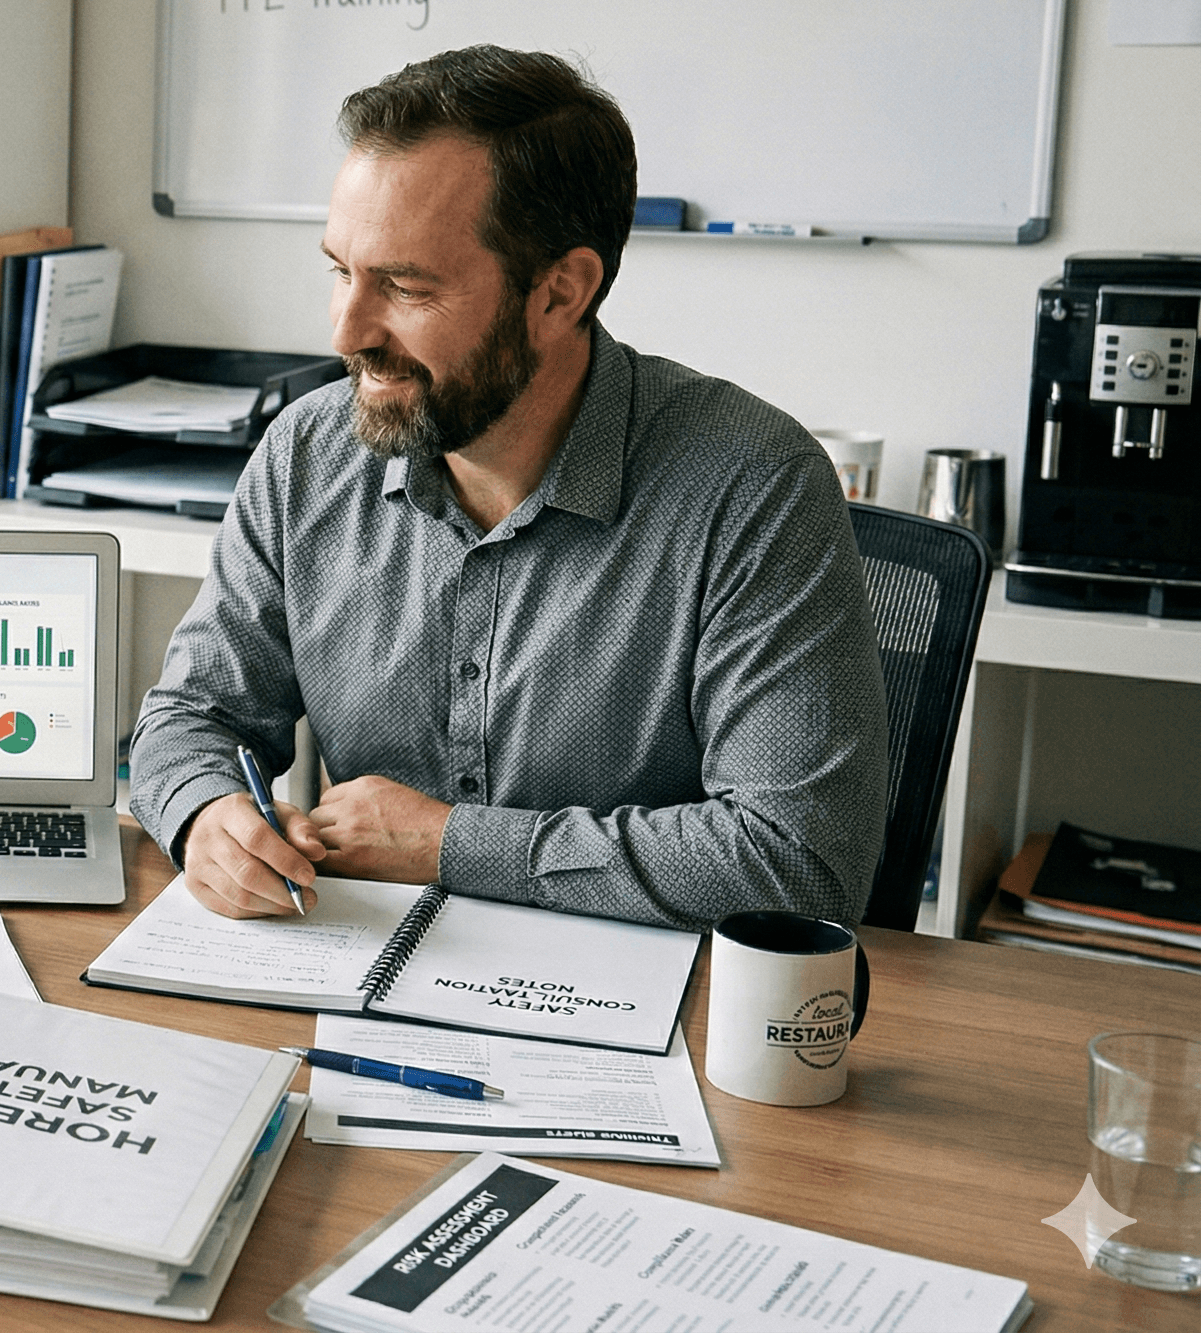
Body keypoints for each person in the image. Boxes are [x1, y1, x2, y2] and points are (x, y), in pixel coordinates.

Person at [128, 46, 887, 932]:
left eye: (405, 287)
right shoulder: (308, 453)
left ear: (560, 292)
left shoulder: (752, 486)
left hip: (646, 1017)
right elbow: (191, 714)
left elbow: (798, 862)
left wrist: (450, 844)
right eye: (341, 271)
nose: (346, 332)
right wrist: (204, 811)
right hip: (361, 977)